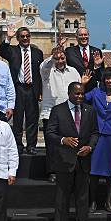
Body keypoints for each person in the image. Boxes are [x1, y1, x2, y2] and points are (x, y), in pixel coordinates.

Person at [46, 82, 99, 221]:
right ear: (69, 93)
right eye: (76, 94)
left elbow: (95, 133)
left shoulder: (89, 110)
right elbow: (50, 133)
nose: (80, 97)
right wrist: (63, 140)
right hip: (64, 163)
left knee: (82, 202)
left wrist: (90, 147)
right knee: (61, 202)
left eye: (82, 94)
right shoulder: (58, 110)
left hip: (83, 163)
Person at [82, 68, 111, 212]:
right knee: (94, 172)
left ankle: (108, 202)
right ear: (103, 80)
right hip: (96, 135)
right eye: (107, 78)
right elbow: (81, 98)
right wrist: (83, 85)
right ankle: (93, 202)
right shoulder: (97, 92)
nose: (110, 81)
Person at [0, 25, 44, 155]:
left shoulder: (37, 53)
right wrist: (8, 37)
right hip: (18, 88)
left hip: (32, 89)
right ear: (18, 38)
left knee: (32, 119)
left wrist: (40, 91)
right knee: (17, 119)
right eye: (22, 36)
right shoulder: (12, 51)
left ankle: (31, 145)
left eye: (27, 36)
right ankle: (18, 144)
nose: (25, 38)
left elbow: (39, 74)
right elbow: (1, 51)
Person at [40, 47, 81, 183]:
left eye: (62, 58)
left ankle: (70, 170)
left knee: (69, 144)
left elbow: (78, 89)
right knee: (52, 145)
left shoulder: (73, 71)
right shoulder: (47, 71)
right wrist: (53, 57)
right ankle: (52, 171)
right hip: (50, 112)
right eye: (57, 58)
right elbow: (44, 66)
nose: (60, 60)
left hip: (69, 112)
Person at [65, 27, 103, 92]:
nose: (83, 37)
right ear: (76, 37)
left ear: (88, 36)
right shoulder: (69, 51)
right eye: (81, 35)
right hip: (76, 91)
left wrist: (97, 66)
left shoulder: (96, 51)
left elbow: (101, 76)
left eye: (85, 34)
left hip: (93, 90)